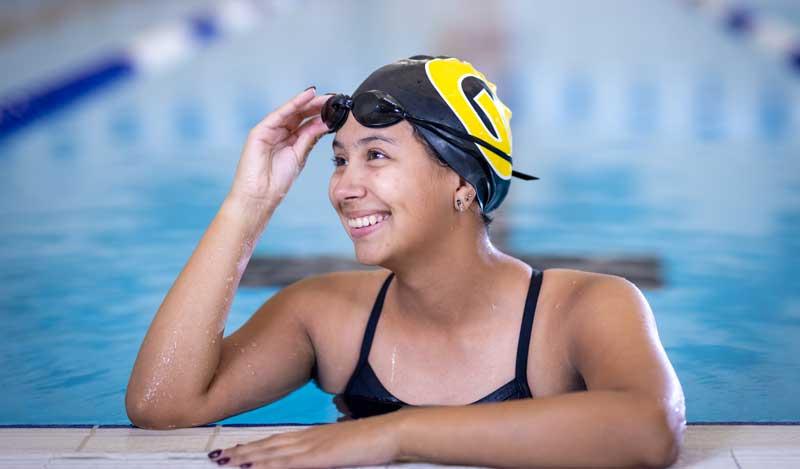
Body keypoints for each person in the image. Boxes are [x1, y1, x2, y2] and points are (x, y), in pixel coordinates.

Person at [126, 55, 685, 469]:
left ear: (463, 182)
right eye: (340, 160)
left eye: (376, 156)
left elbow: (651, 428)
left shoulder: (582, 308)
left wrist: (393, 434)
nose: (345, 187)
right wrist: (249, 204)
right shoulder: (324, 314)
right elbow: (163, 404)